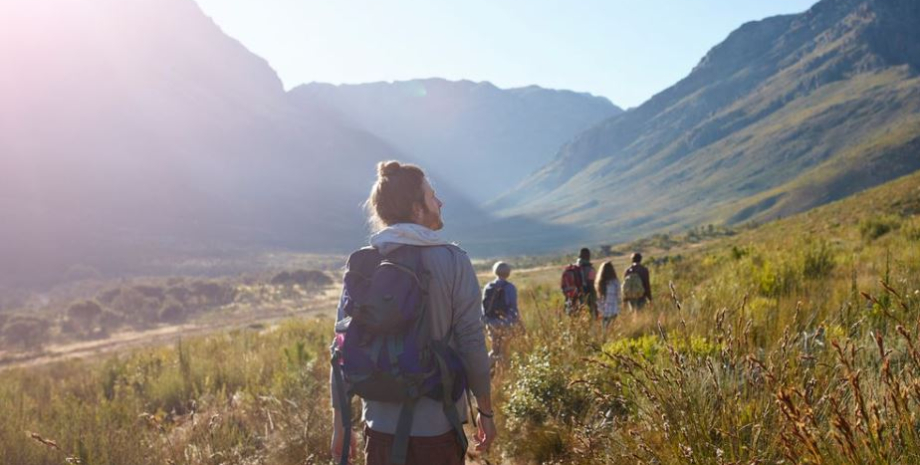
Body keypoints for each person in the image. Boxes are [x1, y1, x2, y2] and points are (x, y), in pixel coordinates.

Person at [330, 161, 496, 465]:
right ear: (417, 209)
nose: (440, 202)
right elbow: (471, 340)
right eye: (432, 197)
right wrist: (485, 411)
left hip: (378, 426)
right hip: (437, 426)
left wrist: (340, 425)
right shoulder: (453, 260)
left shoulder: (363, 264)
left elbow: (340, 346)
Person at [481, 261, 522, 363]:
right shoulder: (510, 288)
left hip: (491, 322)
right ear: (508, 272)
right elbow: (513, 308)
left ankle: (487, 370)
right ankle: (502, 372)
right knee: (504, 349)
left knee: (495, 349)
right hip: (505, 322)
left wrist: (486, 322)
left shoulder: (487, 287)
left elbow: (483, 307)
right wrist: (516, 322)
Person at [561, 248, 597, 317]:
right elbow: (591, 286)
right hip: (584, 300)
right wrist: (594, 302)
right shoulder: (590, 269)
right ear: (588, 256)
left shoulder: (572, 269)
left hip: (571, 300)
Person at [595, 261, 620, 329]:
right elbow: (619, 296)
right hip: (613, 310)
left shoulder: (600, 283)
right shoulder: (615, 282)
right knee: (613, 329)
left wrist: (600, 309)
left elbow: (598, 299)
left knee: (605, 329)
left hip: (604, 311)